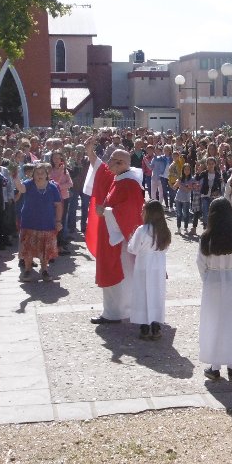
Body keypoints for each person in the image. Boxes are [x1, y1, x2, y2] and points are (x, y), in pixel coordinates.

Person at [86, 146, 145, 322]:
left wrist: (105, 211)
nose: (108, 163)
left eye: (111, 160)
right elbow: (102, 169)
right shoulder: (119, 177)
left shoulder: (129, 183)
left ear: (121, 163)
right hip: (113, 238)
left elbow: (129, 210)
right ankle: (116, 311)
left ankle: (116, 313)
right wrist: (91, 153)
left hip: (119, 242)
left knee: (121, 276)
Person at [197, 197, 232, 381]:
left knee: (215, 324)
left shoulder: (207, 237)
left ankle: (215, 366)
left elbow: (201, 264)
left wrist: (211, 278)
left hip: (213, 282)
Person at [127, 200, 171, 340]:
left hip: (143, 266)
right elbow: (165, 249)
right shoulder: (164, 231)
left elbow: (132, 249)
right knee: (156, 295)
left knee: (142, 294)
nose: (141, 213)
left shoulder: (142, 230)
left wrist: (130, 239)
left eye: (143, 210)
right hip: (158, 267)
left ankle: (144, 328)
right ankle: (156, 326)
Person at [14, 163, 63, 282]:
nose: (40, 175)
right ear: (33, 175)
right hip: (29, 222)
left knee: (45, 248)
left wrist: (58, 221)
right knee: (28, 247)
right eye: (37, 173)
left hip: (47, 223)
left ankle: (45, 270)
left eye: (42, 173)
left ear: (47, 174)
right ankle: (27, 269)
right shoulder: (28, 184)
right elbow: (20, 188)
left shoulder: (53, 187)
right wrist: (15, 177)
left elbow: (58, 205)